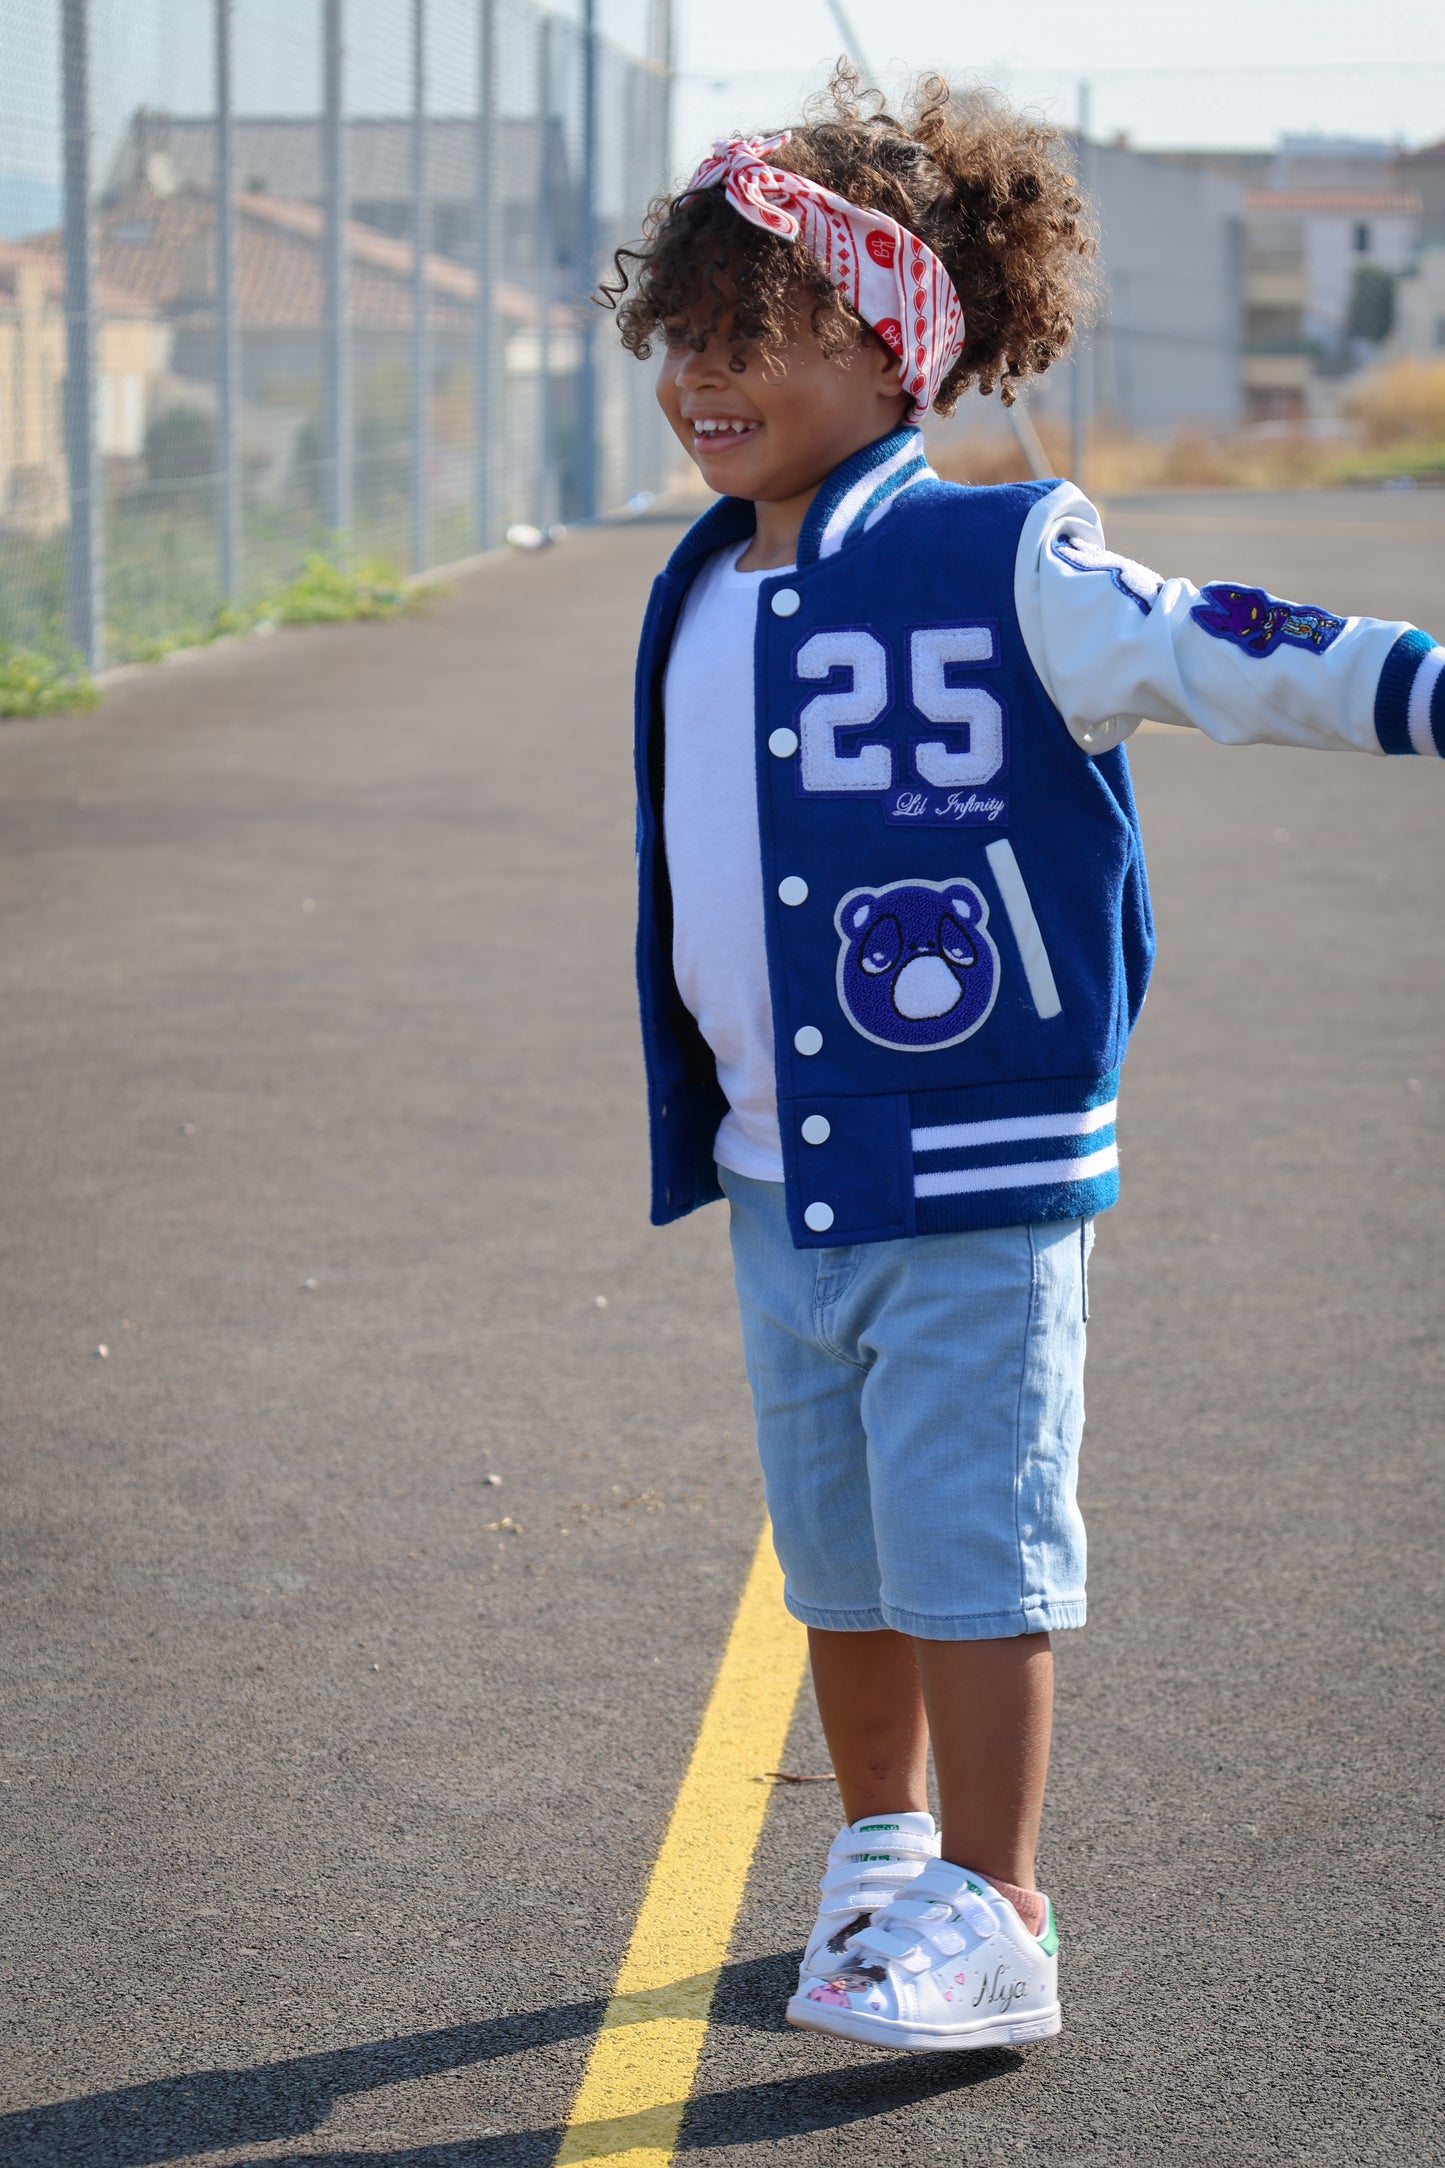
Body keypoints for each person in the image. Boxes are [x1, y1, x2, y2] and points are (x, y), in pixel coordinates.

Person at [601, 70, 1443, 2054]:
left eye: (756, 329)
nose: (704, 373)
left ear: (895, 344)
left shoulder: (1009, 560)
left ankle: (999, 1906)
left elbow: (1234, 642)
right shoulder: (703, 579)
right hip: (777, 1172)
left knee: (973, 1553)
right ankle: (885, 1848)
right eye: (683, 332)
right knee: (841, 1554)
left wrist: (1418, 684)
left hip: (973, 1174)